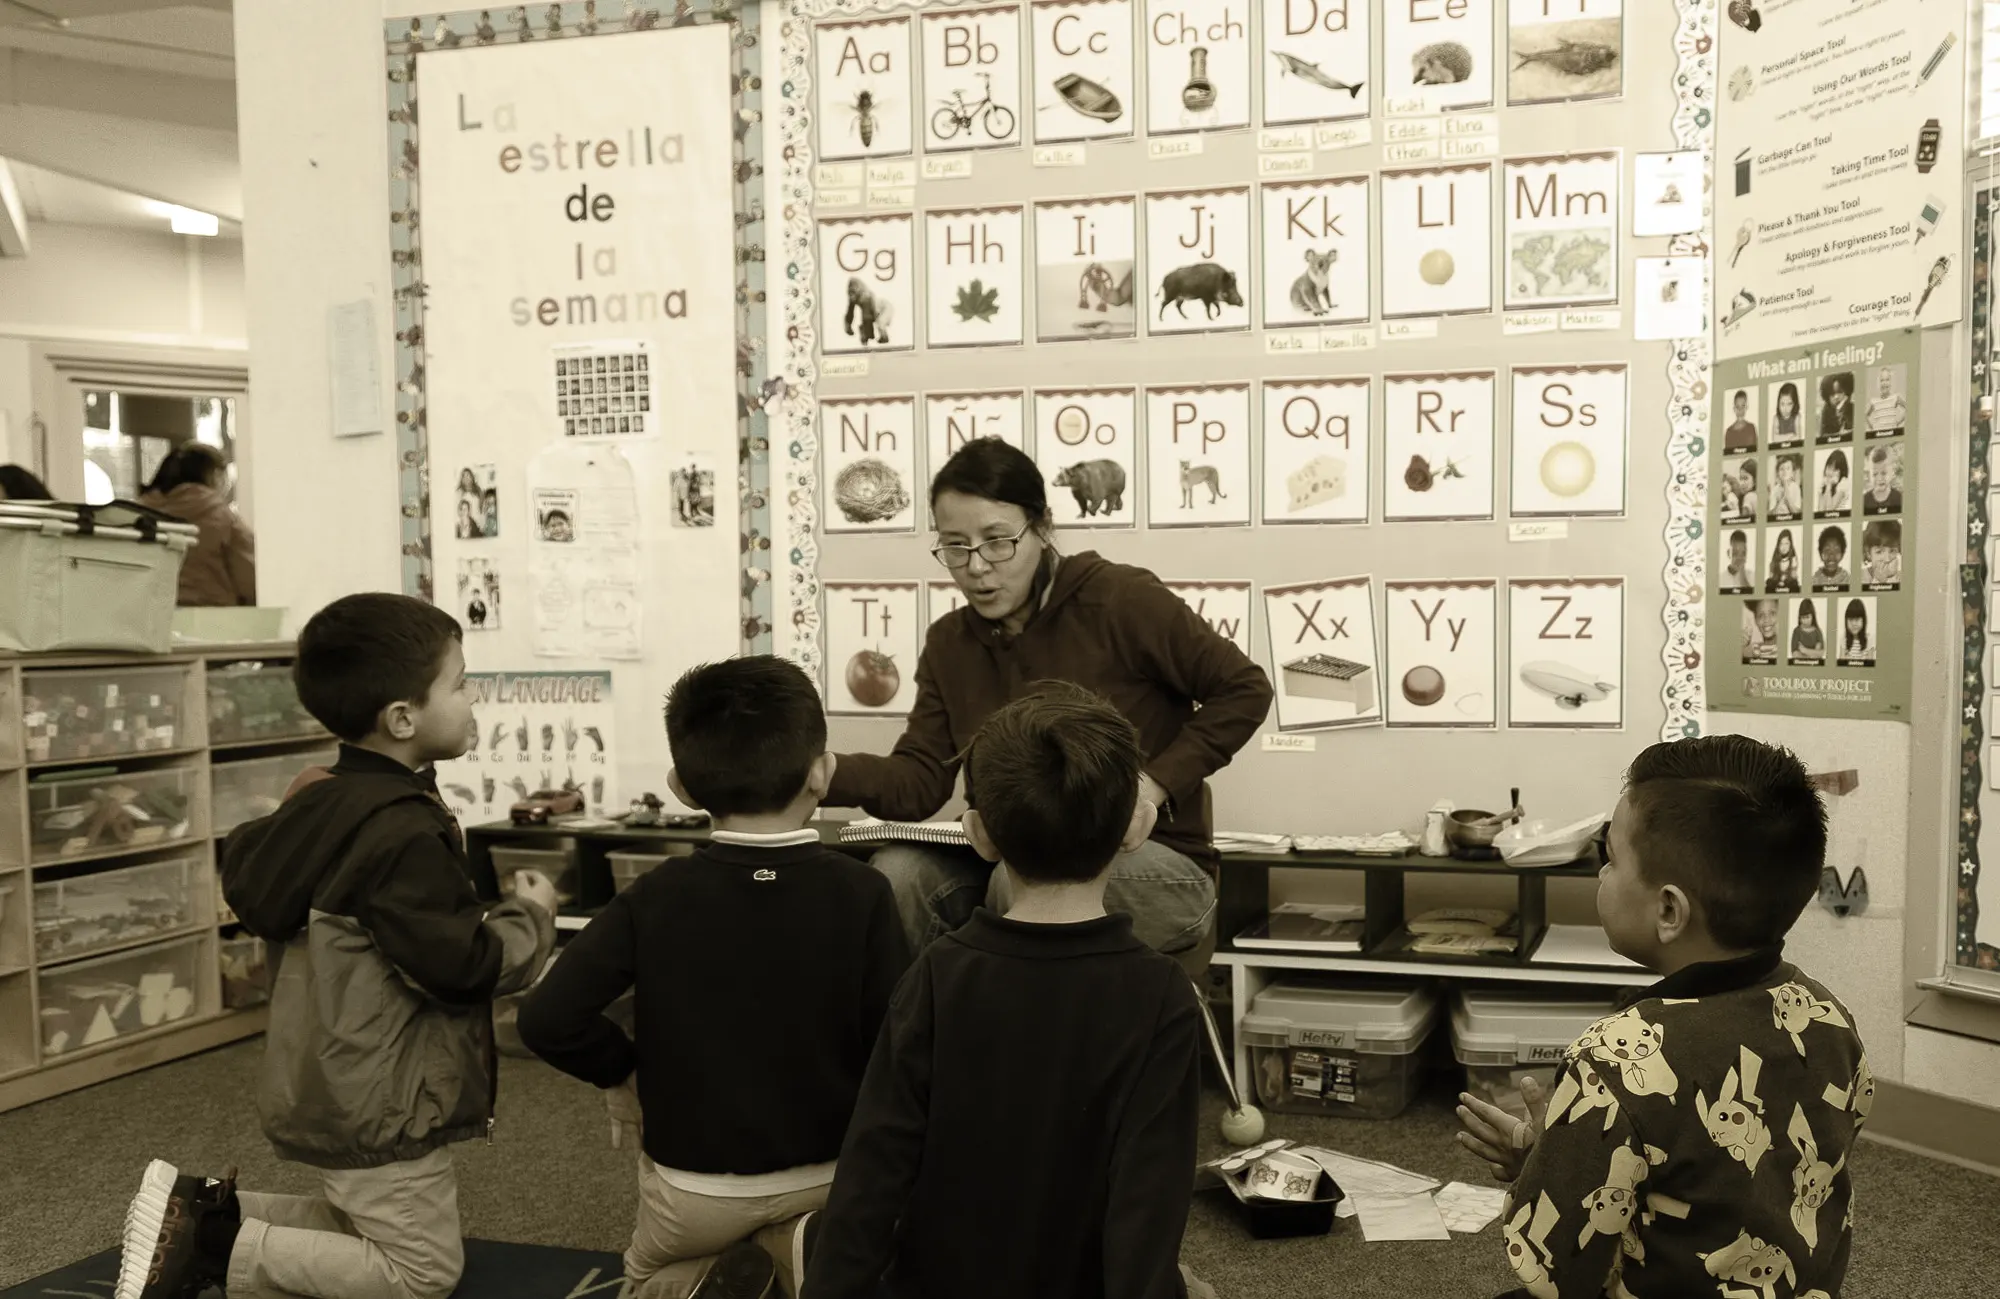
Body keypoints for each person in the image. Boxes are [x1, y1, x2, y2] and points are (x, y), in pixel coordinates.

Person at [116, 593, 558, 1299]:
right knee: (421, 1273)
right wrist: (530, 917)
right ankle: (214, 1245)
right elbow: (461, 966)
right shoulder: (398, 833)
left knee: (369, 1224)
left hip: (331, 1077)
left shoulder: (322, 797)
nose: (474, 700)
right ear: (403, 718)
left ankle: (206, 1209)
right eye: (462, 682)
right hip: (383, 1092)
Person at [804, 683, 1216, 1299]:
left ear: (979, 835)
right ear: (1138, 826)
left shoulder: (936, 975)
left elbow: (873, 1172)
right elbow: (1147, 1205)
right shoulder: (1163, 995)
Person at [519, 656, 910, 1299]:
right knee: (818, 1236)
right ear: (822, 773)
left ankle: (718, 1269)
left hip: (695, 1190)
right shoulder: (864, 892)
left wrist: (622, 1067)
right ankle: (791, 1247)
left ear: (681, 786)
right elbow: (894, 1041)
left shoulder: (656, 896)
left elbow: (546, 1018)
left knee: (645, 1279)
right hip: (831, 1175)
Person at [825, 438, 1272, 959]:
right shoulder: (951, 642)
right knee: (898, 874)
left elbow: (1244, 688)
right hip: (1014, 853)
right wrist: (818, 770)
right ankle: (922, 1037)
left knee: (1022, 892)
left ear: (1041, 527)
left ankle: (1008, 1036)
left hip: (1153, 859)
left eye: (997, 541)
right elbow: (921, 780)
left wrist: (1149, 787)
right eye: (955, 546)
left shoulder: (1122, 601)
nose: (976, 567)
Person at [1457, 735, 1867, 1299]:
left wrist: (1541, 1172)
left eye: (1611, 860)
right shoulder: (1828, 1017)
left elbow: (1555, 1270)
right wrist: (1564, 1153)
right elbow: (1736, 1179)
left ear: (1669, 909)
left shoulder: (1614, 1058)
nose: (1601, 875)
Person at [138, 441, 256, 606]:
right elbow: (253, 582)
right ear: (216, 475)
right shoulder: (223, 519)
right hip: (215, 620)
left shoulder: (136, 515)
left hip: (147, 618)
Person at [1861, 446, 1901, 515]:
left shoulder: (1899, 498)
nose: (1879, 478)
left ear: (1893, 472)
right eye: (1875, 474)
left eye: (1884, 473)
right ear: (1869, 475)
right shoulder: (1864, 500)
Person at [1864, 367, 1905, 434]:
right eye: (1881, 380)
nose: (1884, 383)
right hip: (1879, 434)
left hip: (1891, 433)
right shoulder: (1874, 401)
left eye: (1887, 380)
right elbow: (1865, 415)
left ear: (1891, 382)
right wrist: (1872, 427)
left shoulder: (1895, 397)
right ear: (1878, 383)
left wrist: (1898, 422)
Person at [1862, 519, 1901, 587]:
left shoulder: (1903, 577)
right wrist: (1879, 581)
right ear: (1868, 554)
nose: (1887, 559)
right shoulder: (1860, 577)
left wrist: (1889, 579)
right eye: (1879, 552)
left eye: (1892, 551)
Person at [1819, 372, 1854, 442]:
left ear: (1846, 392)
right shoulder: (1826, 410)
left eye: (1840, 392)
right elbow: (1823, 435)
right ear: (1827, 396)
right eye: (1832, 394)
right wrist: (1838, 434)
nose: (1836, 397)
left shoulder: (1851, 407)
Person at [1816, 449, 1851, 515]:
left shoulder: (1844, 482)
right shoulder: (1823, 483)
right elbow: (1821, 511)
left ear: (1841, 471)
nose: (1830, 472)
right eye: (1829, 467)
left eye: (1834, 469)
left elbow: (1830, 510)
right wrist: (1826, 487)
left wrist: (1829, 485)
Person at [1769, 453, 1803, 519]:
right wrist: (1780, 501)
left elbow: (1796, 512)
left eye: (1788, 468)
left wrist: (1786, 494)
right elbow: (1771, 513)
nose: (1785, 471)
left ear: (1792, 473)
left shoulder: (1795, 488)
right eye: (1781, 469)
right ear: (1777, 473)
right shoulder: (1775, 489)